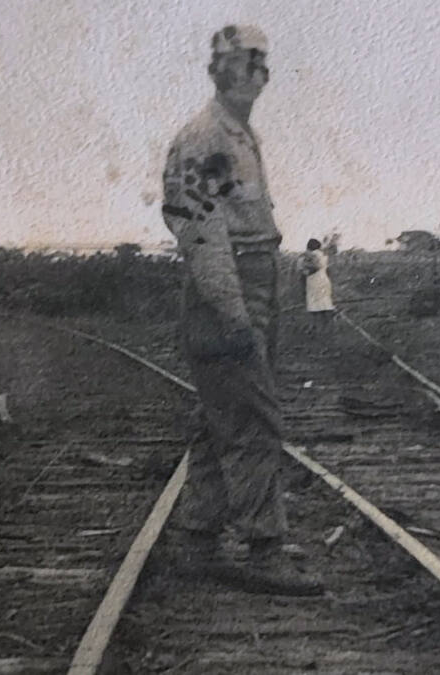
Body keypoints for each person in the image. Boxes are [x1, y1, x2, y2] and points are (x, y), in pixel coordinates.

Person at [159, 24, 323, 596]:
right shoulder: (204, 138)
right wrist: (234, 316)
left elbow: (247, 229)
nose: (255, 73)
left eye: (260, 63)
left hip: (254, 284)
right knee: (256, 421)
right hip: (224, 295)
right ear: (216, 71)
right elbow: (202, 237)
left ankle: (199, 540)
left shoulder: (242, 136)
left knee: (219, 420)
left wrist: (279, 278)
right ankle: (263, 548)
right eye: (242, 63)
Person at [301, 238, 335, 335]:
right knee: (325, 303)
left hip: (314, 281)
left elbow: (316, 266)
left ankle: (314, 328)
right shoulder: (323, 255)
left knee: (314, 305)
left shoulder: (312, 254)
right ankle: (328, 327)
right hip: (323, 280)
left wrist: (305, 267)